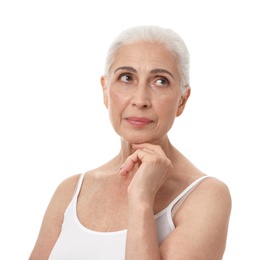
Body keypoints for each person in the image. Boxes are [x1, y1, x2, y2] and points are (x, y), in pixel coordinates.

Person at [29, 25, 231, 260]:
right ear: (105, 90)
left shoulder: (205, 196)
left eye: (160, 81)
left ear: (182, 101)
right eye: (127, 78)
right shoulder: (71, 190)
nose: (141, 100)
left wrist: (141, 200)